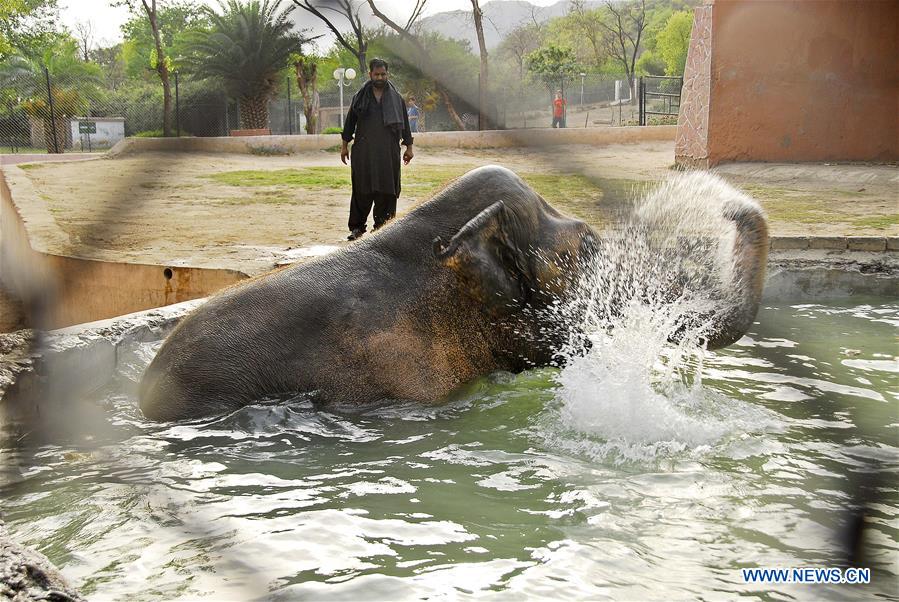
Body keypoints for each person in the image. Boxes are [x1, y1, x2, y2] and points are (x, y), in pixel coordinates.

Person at [340, 58, 414, 241]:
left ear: (387, 74)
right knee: (362, 189)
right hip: (363, 150)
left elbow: (405, 124)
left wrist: (409, 148)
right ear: (370, 74)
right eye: (376, 74)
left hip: (388, 151)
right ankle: (357, 228)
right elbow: (350, 123)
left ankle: (383, 228)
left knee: (387, 189)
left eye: (383, 74)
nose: (380, 77)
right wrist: (344, 146)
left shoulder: (397, 99)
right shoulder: (359, 97)